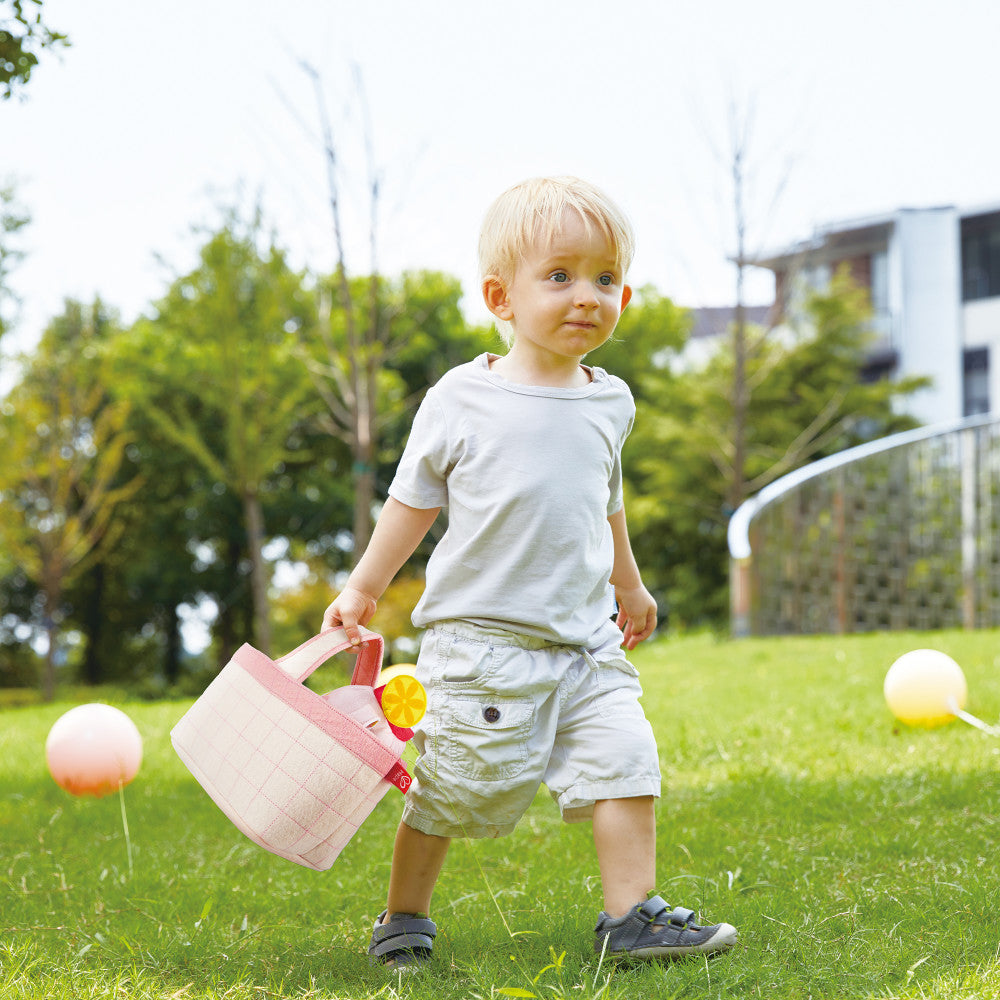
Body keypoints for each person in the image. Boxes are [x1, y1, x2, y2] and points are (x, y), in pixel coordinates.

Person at [322, 176, 737, 968]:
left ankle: (631, 919)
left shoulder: (610, 400)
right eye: (560, 275)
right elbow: (412, 501)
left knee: (627, 761)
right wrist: (364, 588)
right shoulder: (463, 398)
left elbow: (603, 501)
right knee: (453, 791)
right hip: (485, 649)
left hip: (585, 643)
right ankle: (403, 918)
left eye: (606, 278)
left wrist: (630, 584)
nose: (588, 295)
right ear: (499, 297)